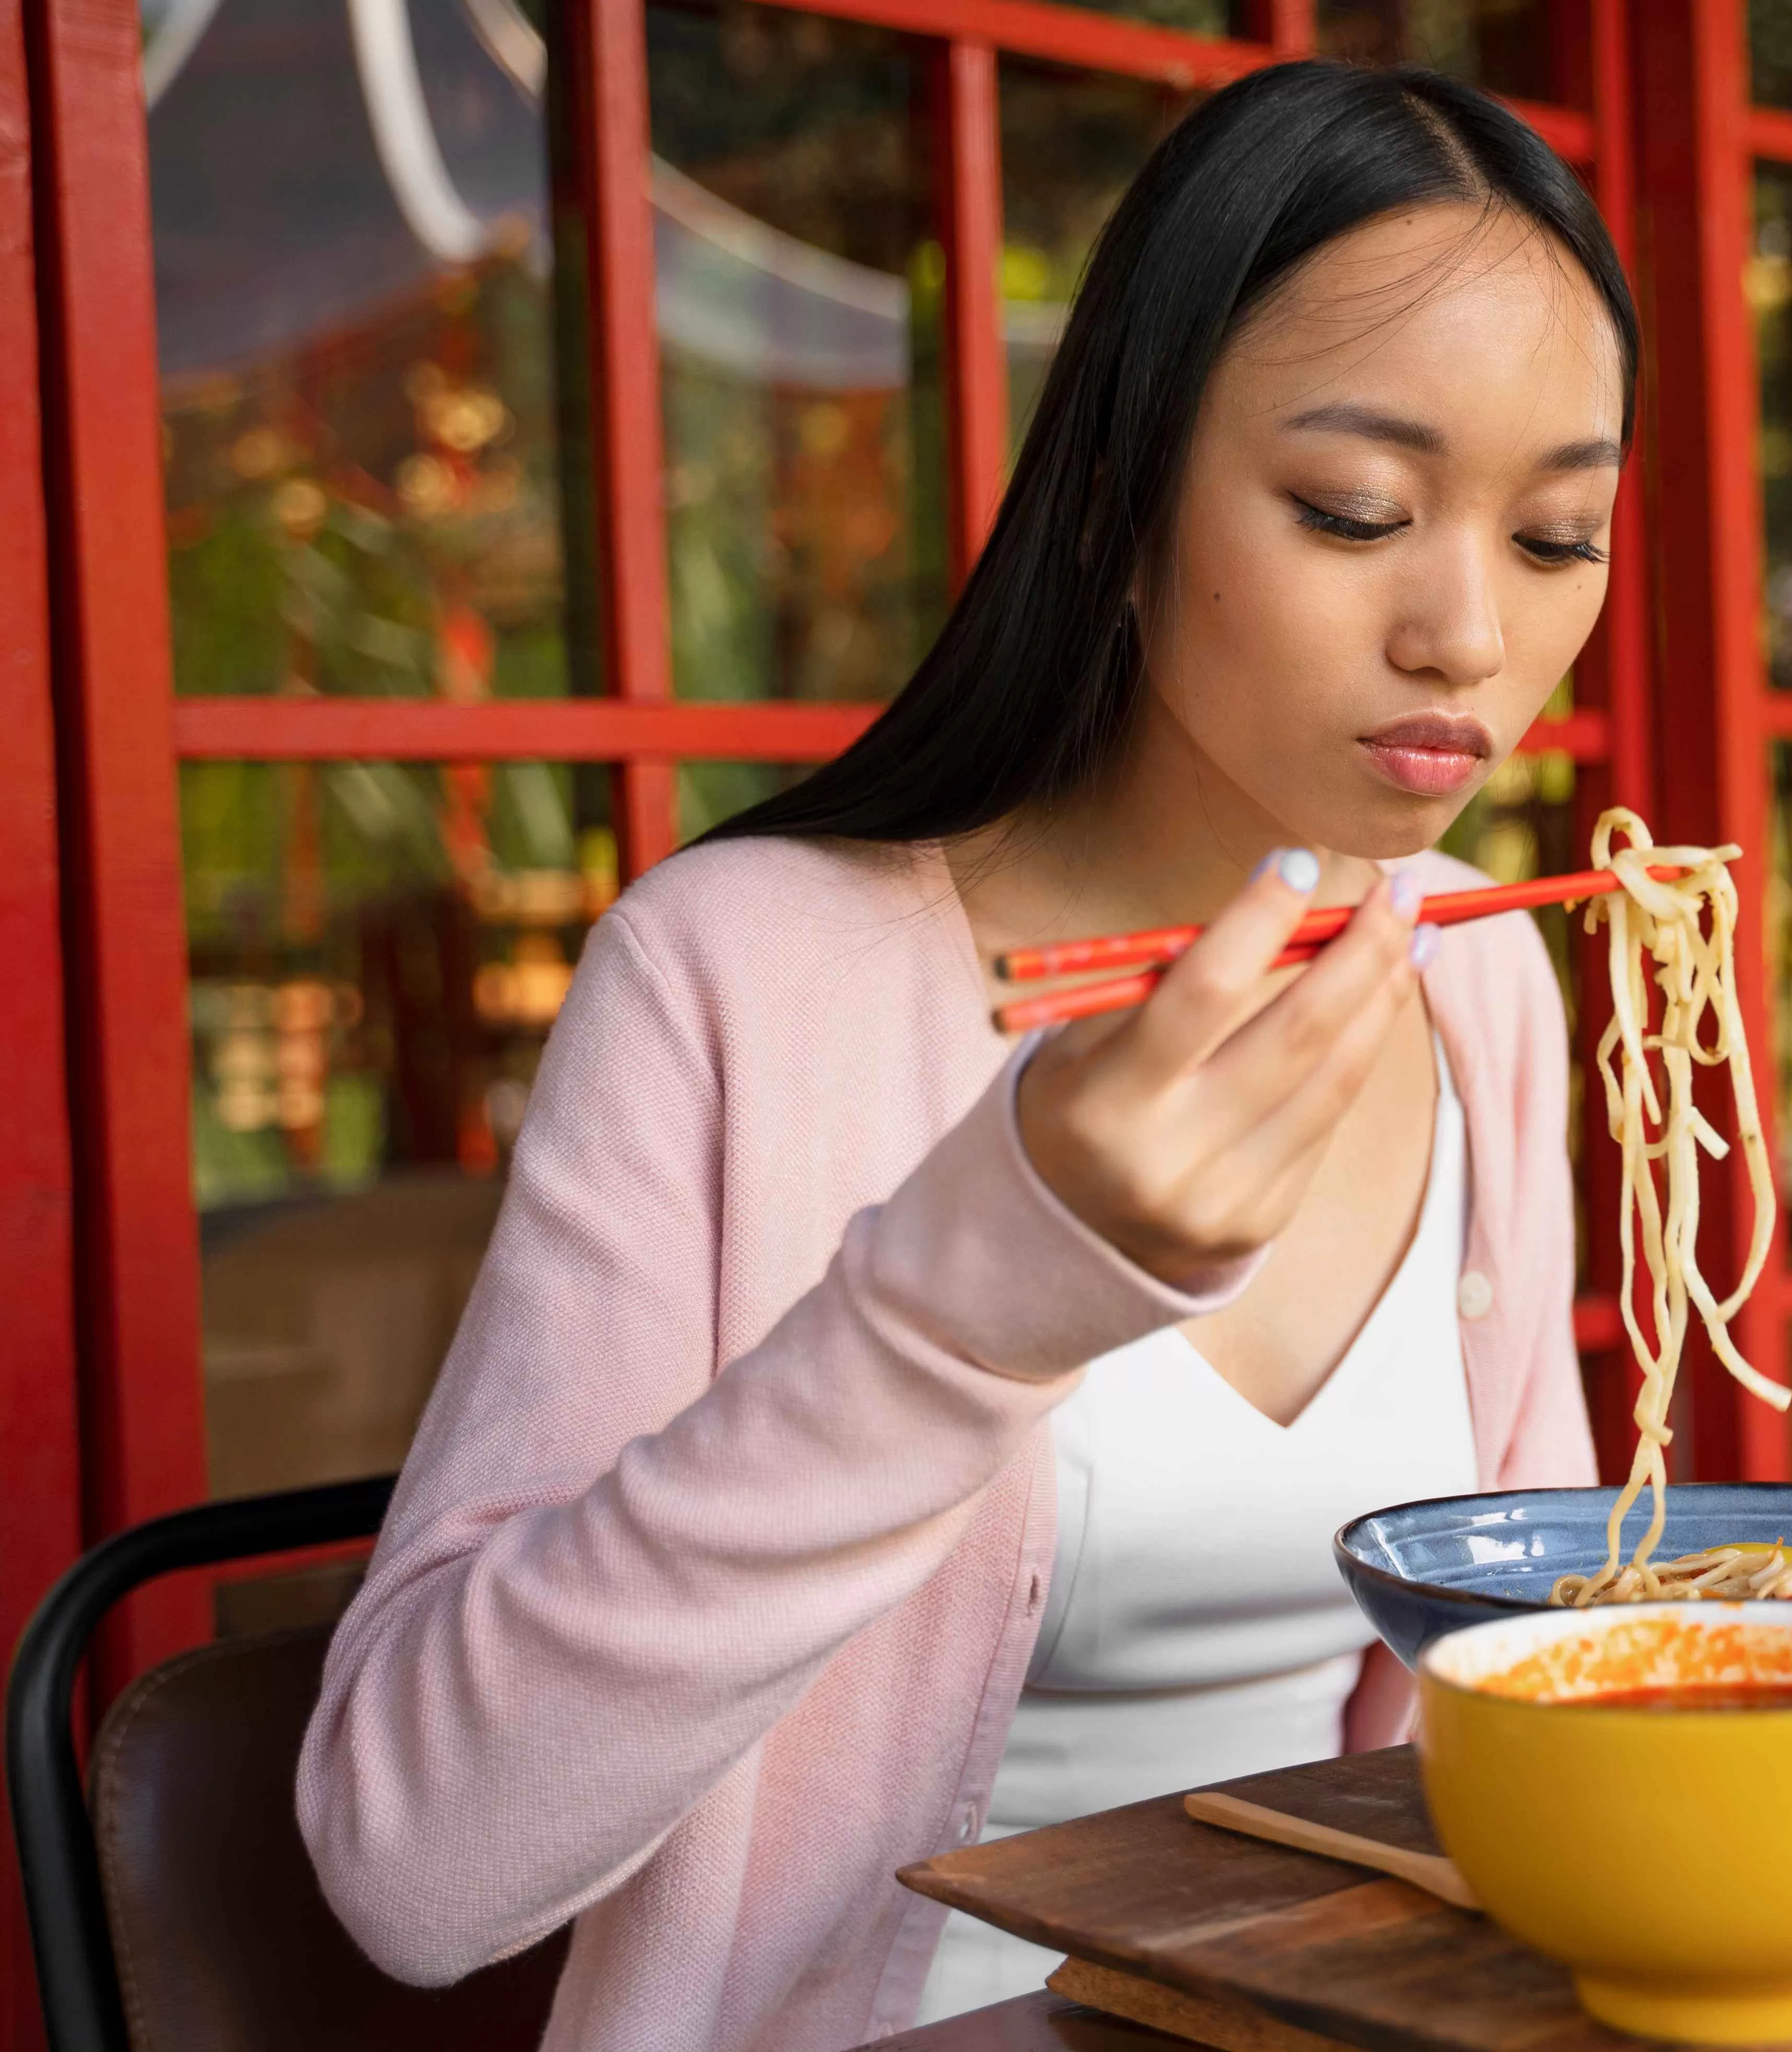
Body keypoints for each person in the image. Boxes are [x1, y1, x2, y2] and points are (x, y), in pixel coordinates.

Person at [297, 61, 1627, 2051]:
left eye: (1554, 538)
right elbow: (410, 1860)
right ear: (1109, 502)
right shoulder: (739, 978)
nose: (1466, 634)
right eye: (1355, 510)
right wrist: (963, 1314)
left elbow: (1526, 1686)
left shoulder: (1475, 981)